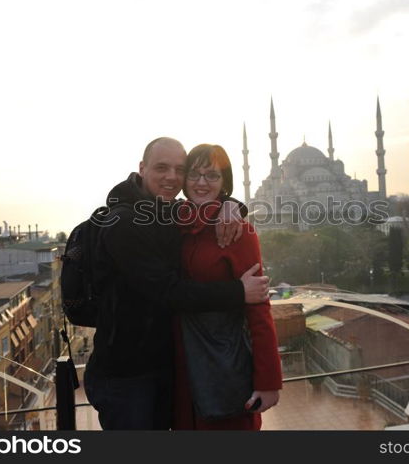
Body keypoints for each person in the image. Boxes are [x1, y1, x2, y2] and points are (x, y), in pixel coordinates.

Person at [84, 137, 270, 430]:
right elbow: (167, 291)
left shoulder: (169, 212)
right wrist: (238, 291)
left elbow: (205, 203)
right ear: (142, 169)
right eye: (161, 168)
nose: (172, 177)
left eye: (179, 169)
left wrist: (230, 206)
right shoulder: (125, 222)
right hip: (128, 375)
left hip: (172, 367)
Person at [172, 144, 282, 430]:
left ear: (225, 182)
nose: (201, 183)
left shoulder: (237, 231)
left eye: (212, 176)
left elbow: (259, 310)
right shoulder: (174, 222)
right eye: (194, 174)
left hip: (223, 365)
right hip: (182, 364)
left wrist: (268, 382)